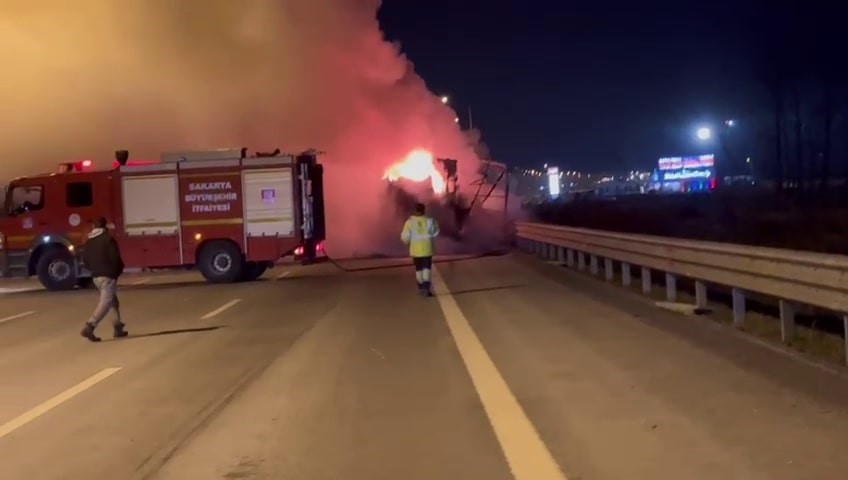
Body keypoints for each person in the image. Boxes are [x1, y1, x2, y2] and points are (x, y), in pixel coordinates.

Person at [80, 217, 128, 342]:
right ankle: (90, 326)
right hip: (108, 275)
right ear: (105, 227)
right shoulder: (108, 239)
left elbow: (85, 261)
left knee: (112, 301)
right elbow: (115, 257)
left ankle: (118, 327)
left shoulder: (89, 242)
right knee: (106, 302)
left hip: (96, 277)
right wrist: (117, 270)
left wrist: (94, 270)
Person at [400, 202, 440, 296]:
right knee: (427, 269)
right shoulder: (430, 221)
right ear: (424, 210)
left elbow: (405, 237)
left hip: (415, 250)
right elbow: (436, 232)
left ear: (415, 210)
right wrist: (430, 239)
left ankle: (421, 287)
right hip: (427, 249)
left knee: (418, 269)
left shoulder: (409, 222)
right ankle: (426, 288)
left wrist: (407, 243)